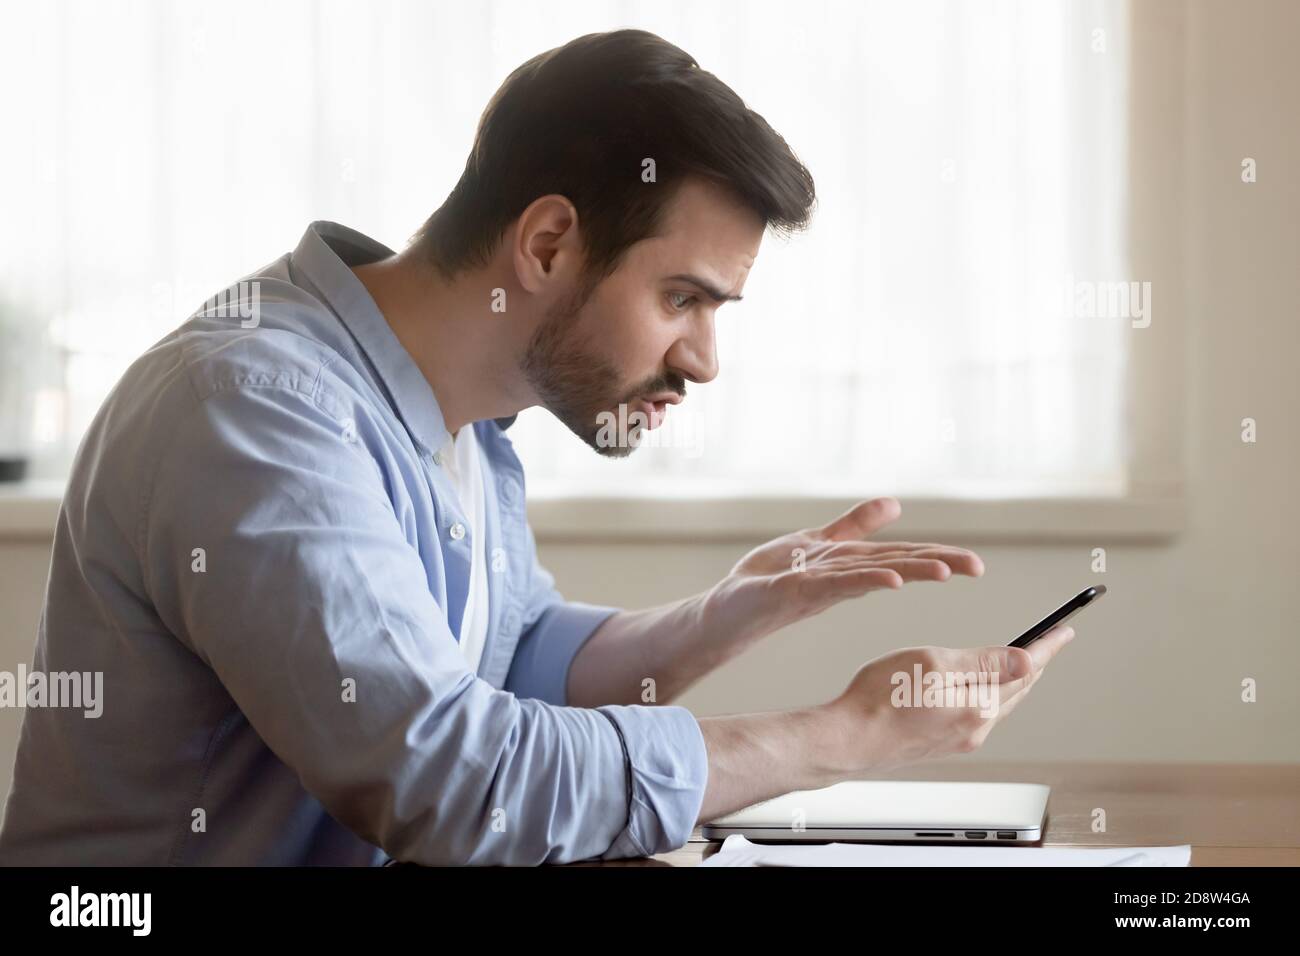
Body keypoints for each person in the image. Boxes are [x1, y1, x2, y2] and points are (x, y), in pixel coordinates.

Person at [0, 28, 1072, 866]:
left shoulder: (460, 419)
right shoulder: (256, 408)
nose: (702, 360)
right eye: (682, 297)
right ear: (549, 242)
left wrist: (725, 612)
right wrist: (842, 735)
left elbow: (504, 664)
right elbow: (447, 776)